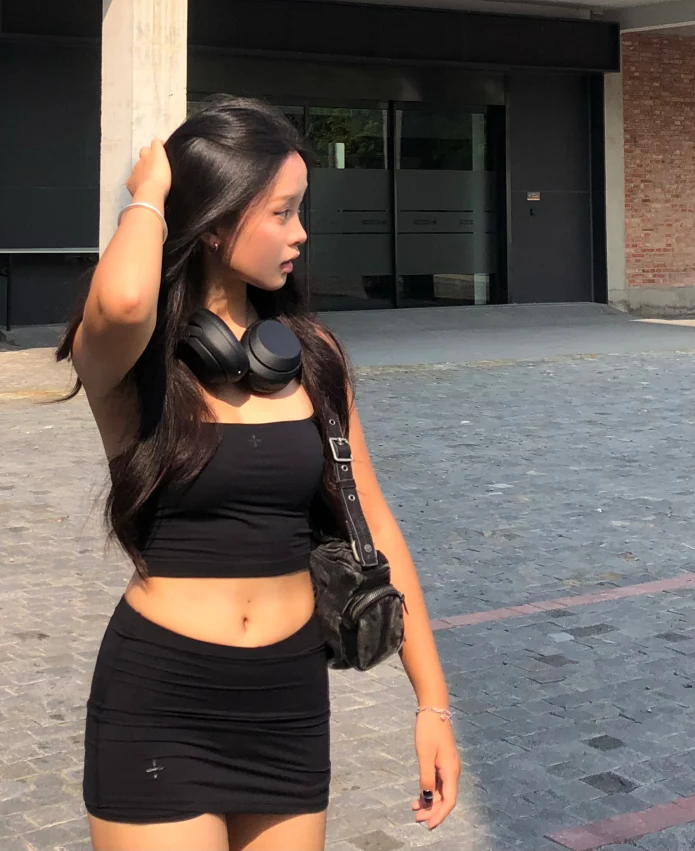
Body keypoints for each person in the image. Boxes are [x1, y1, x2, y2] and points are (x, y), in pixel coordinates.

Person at [56, 96, 459, 851]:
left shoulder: (312, 356)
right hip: (162, 701)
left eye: (300, 210)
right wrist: (151, 192)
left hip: (287, 699)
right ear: (215, 222)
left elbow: (373, 520)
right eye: (281, 212)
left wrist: (431, 702)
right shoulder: (134, 361)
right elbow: (128, 296)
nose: (301, 232)